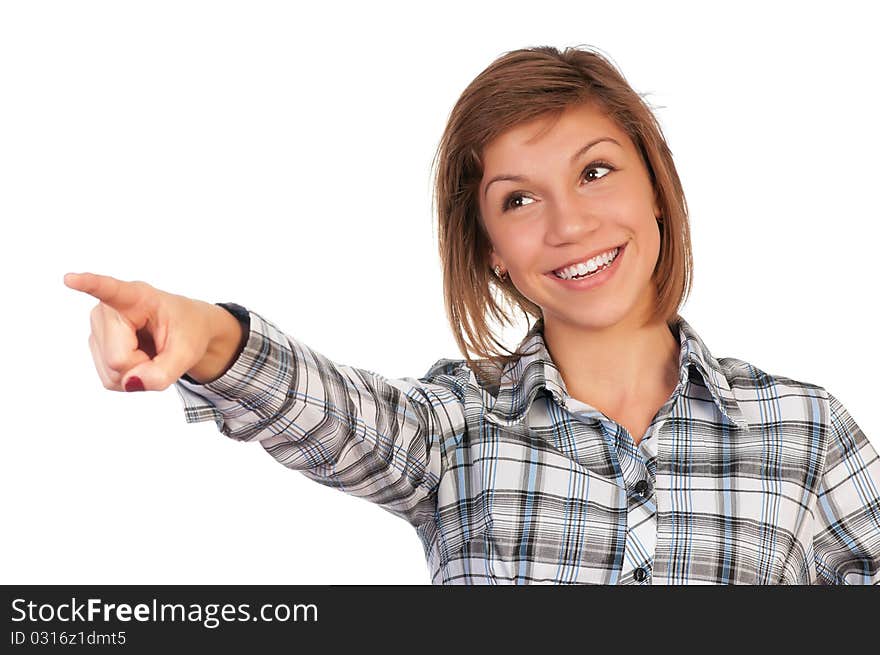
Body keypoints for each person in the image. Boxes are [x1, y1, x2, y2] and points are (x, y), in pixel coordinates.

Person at [64, 44, 880, 585]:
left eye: (596, 172)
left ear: (657, 189)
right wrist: (202, 332)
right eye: (519, 199)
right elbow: (324, 407)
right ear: (491, 246)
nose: (569, 225)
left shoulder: (807, 432)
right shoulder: (455, 429)